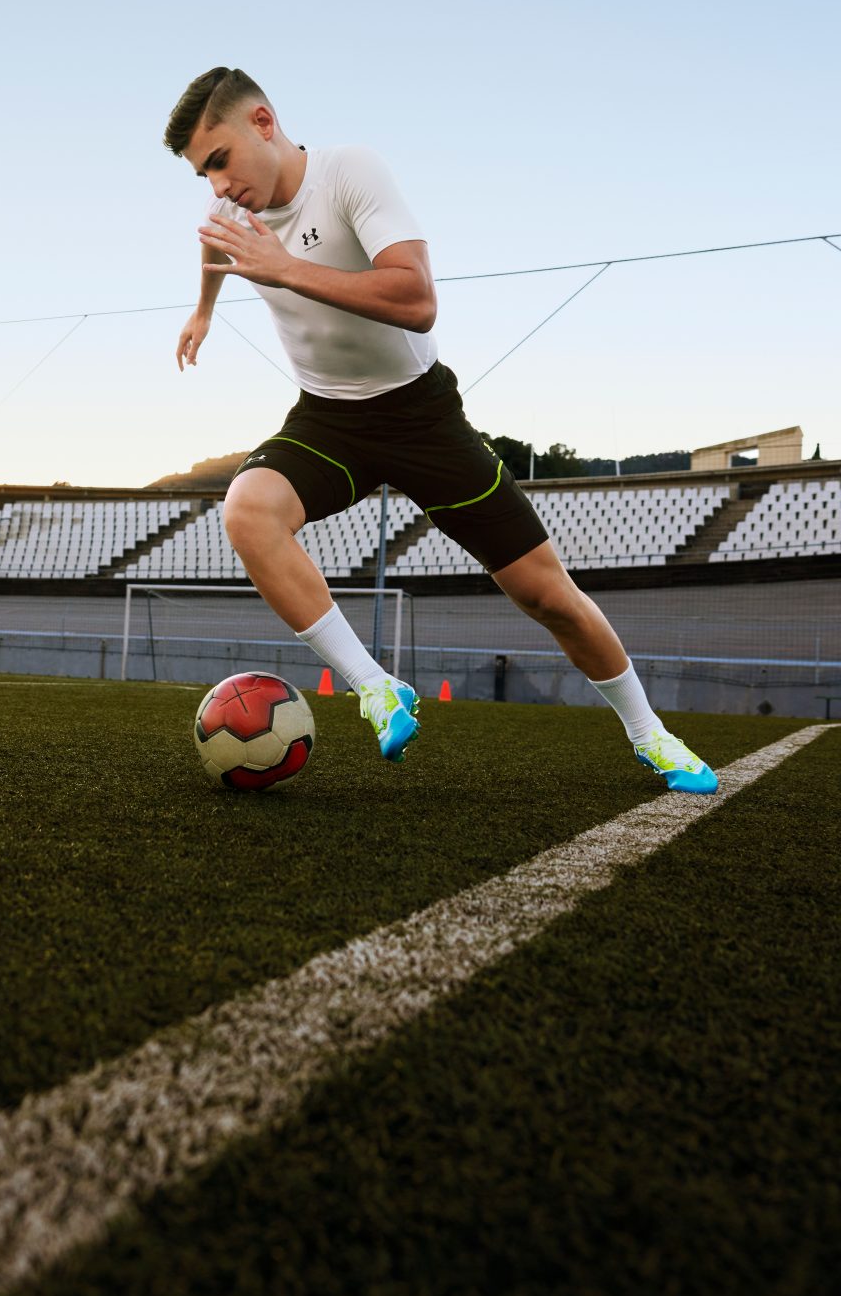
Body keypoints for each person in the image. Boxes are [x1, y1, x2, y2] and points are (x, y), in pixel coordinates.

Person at [164, 66, 717, 793]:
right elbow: (214, 243)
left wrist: (288, 268)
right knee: (247, 510)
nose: (217, 186)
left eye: (220, 161)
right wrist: (204, 306)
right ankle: (374, 686)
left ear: (263, 122)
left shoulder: (350, 171)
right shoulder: (235, 216)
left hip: (421, 414)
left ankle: (653, 734)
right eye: (202, 174)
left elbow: (417, 298)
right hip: (328, 418)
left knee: (547, 594)